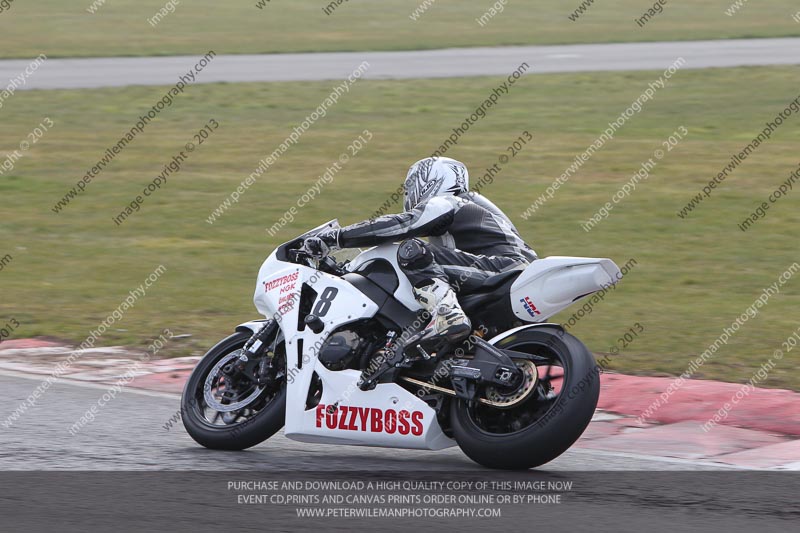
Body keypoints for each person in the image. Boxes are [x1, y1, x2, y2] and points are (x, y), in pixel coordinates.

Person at [314, 156, 537, 344]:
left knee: (411, 249)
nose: (408, 193)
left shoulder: (449, 201)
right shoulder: (475, 210)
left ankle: (448, 314)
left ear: (430, 180)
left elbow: (402, 225)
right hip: (511, 274)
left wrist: (335, 238)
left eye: (411, 186)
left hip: (504, 268)